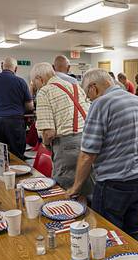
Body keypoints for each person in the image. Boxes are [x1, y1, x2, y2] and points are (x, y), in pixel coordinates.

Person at [67, 69, 138, 234]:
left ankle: (114, 259)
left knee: (107, 233)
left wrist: (75, 187)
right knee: (131, 231)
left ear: (93, 87)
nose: (89, 99)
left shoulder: (101, 103)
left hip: (115, 182)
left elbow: (87, 154)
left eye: (87, 94)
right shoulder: (136, 100)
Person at [30, 62, 92, 194]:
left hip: (67, 146)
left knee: (66, 191)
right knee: (86, 189)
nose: (35, 86)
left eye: (34, 82)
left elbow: (49, 132)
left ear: (39, 79)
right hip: (89, 141)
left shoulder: (44, 92)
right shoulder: (75, 86)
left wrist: (46, 145)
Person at [0, 56, 34, 159]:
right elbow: (30, 106)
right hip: (14, 123)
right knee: (17, 155)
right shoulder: (20, 82)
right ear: (16, 68)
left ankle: (0, 174)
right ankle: (18, 174)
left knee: (0, 155)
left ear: (1, 66)